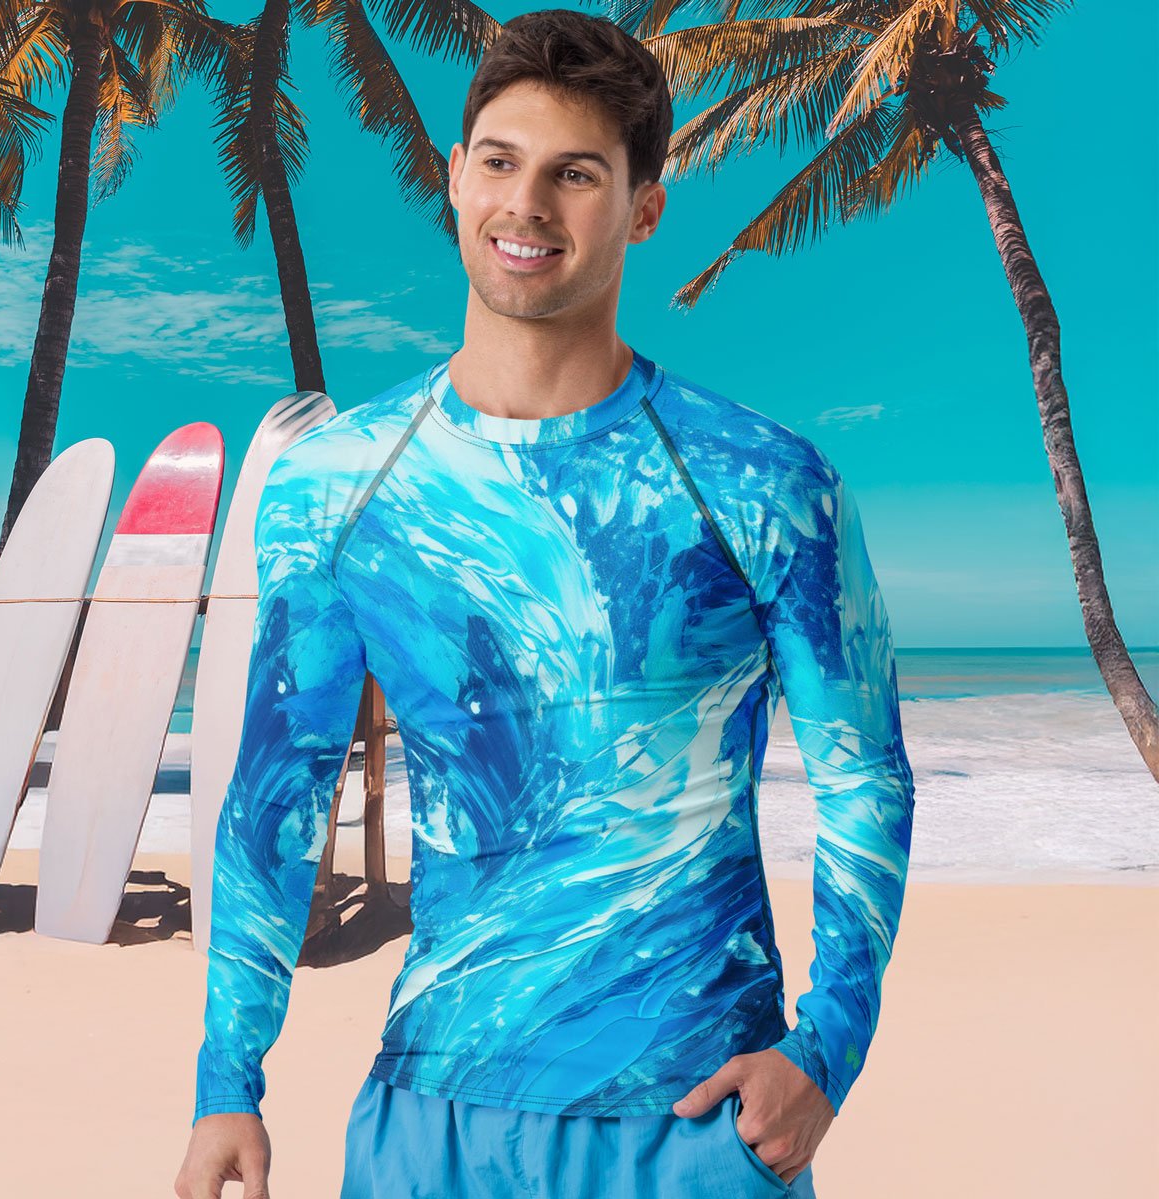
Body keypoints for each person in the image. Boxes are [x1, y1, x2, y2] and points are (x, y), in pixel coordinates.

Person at [175, 9, 916, 1198]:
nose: (529, 204)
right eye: (500, 162)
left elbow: (863, 775)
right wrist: (228, 1079)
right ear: (456, 179)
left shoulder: (764, 481)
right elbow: (278, 797)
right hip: (436, 1113)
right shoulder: (337, 486)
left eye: (577, 174)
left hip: (695, 1111)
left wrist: (827, 1048)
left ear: (644, 205)